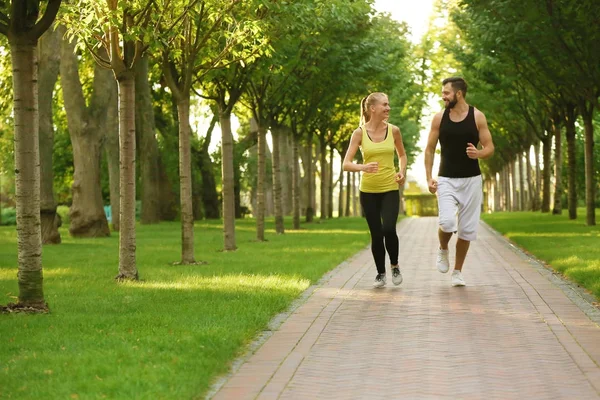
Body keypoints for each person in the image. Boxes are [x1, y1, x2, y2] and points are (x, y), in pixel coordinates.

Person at [424, 77, 494, 286]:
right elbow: (429, 149)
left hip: (471, 180)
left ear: (459, 94)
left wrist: (479, 154)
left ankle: (457, 271)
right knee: (446, 222)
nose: (443, 96)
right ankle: (443, 249)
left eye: (446, 92)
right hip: (446, 178)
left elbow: (489, 147)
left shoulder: (477, 117)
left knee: (467, 230)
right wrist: (429, 177)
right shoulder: (439, 118)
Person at [343, 92, 407, 288]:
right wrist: (363, 167)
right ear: (373, 108)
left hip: (389, 188)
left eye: (388, 105)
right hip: (368, 191)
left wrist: (402, 171)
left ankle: (394, 265)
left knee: (388, 228)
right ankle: (381, 273)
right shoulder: (359, 133)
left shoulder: (394, 131)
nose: (388, 108)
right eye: (384, 105)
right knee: (376, 233)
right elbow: (346, 164)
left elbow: (402, 156)